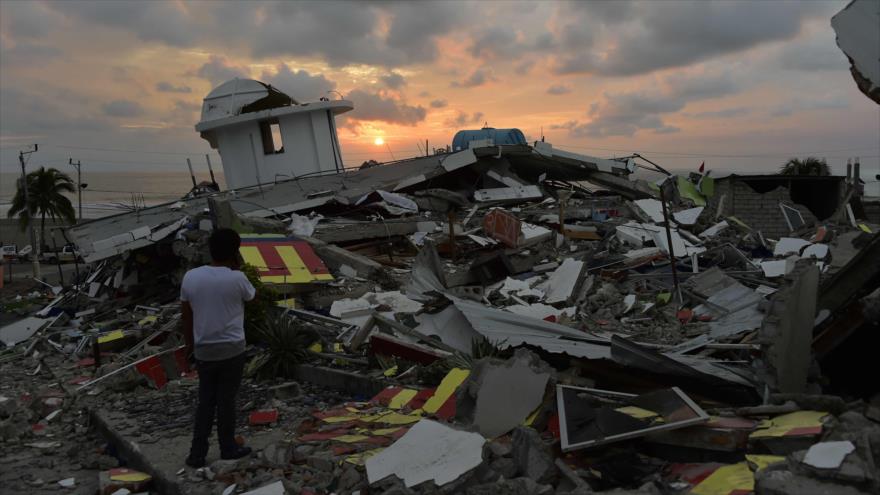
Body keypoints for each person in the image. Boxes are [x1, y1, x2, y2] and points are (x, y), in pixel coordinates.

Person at [181, 228, 255, 468]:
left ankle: (197, 453)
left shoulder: (191, 277)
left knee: (205, 401)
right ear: (235, 251)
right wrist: (237, 268)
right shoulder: (237, 278)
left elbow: (186, 315)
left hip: (204, 349)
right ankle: (228, 447)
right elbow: (250, 297)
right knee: (226, 401)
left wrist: (189, 346)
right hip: (232, 348)